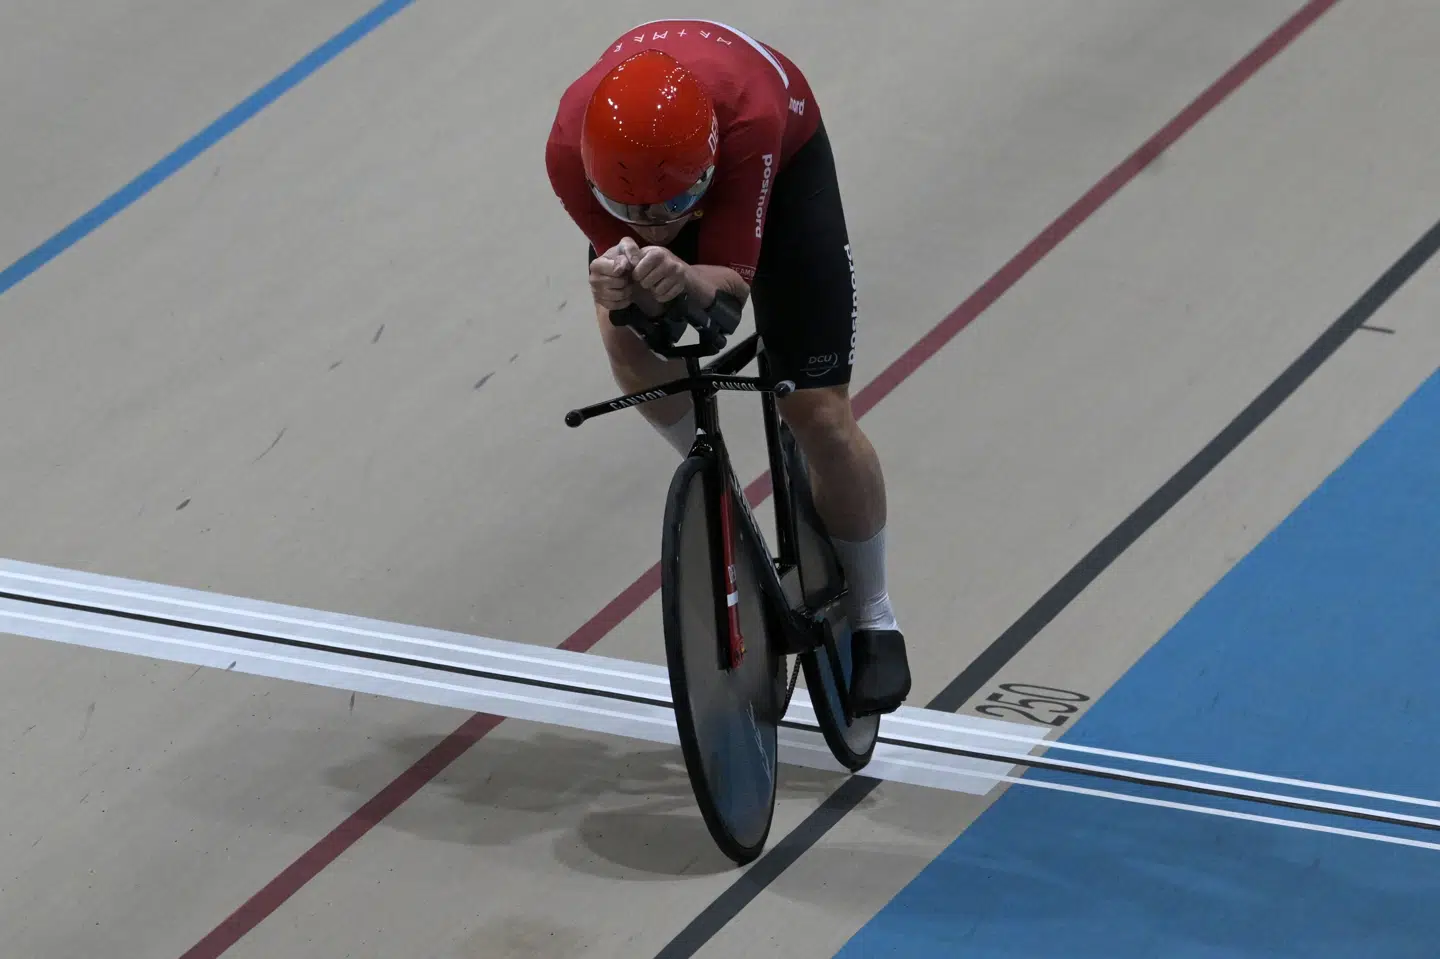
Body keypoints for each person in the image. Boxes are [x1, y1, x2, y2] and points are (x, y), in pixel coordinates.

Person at [544, 19, 911, 716]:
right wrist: (621, 278)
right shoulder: (568, 149)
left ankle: (874, 611)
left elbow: (729, 294)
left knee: (817, 412)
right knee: (623, 328)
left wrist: (688, 268)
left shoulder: (751, 119)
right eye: (632, 213)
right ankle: (719, 489)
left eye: (670, 212)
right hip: (663, 174)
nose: (653, 227)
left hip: (777, 160)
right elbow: (631, 265)